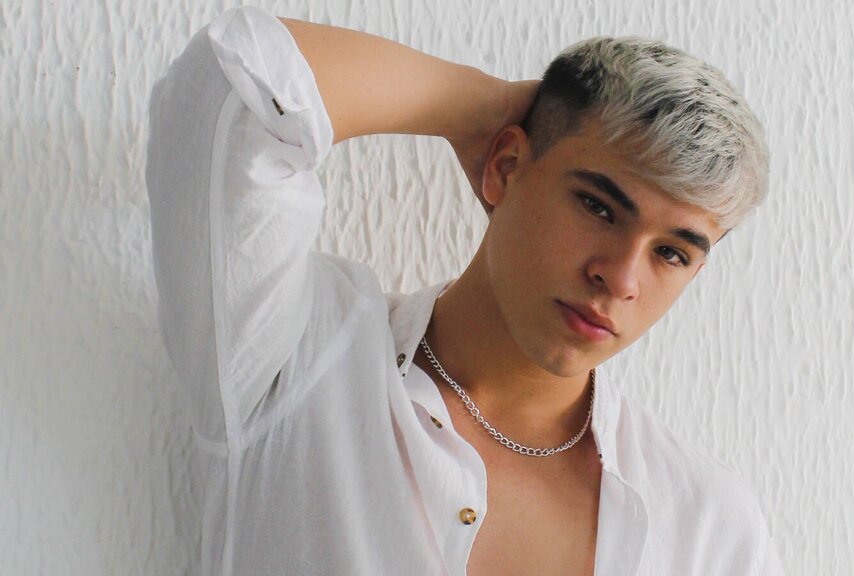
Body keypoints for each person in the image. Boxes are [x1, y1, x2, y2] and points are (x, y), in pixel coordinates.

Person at [146, 5, 780, 575]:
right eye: (598, 206)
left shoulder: (709, 528)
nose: (620, 278)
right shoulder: (298, 363)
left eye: (671, 253)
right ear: (506, 167)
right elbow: (231, 86)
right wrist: (478, 107)